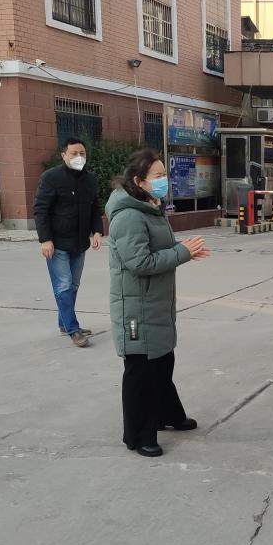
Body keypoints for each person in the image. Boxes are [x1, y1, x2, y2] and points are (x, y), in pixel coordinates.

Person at [106, 148, 209, 458]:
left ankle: (167, 415)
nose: (165, 180)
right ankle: (138, 436)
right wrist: (181, 252)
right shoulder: (128, 216)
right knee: (141, 370)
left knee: (162, 361)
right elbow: (139, 262)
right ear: (140, 181)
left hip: (155, 302)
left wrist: (183, 250)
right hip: (136, 307)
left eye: (165, 174)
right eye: (159, 176)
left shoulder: (151, 208)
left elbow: (158, 247)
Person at [33, 137, 104, 348]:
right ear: (64, 155)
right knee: (63, 285)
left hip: (79, 244)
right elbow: (41, 209)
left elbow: (95, 207)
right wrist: (45, 239)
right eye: (74, 153)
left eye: (82, 153)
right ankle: (73, 329)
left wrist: (97, 231)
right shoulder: (51, 177)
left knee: (73, 286)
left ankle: (64, 323)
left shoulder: (90, 179)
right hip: (57, 244)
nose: (78, 157)